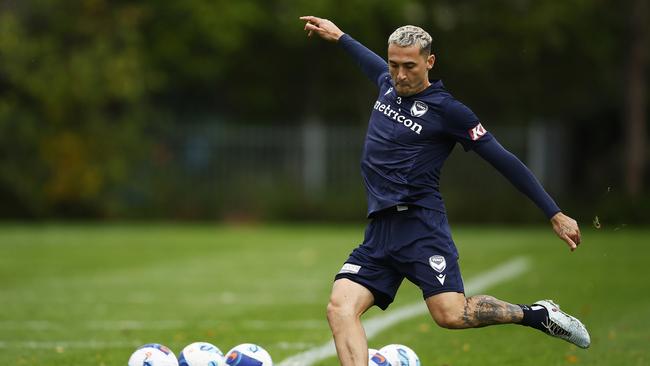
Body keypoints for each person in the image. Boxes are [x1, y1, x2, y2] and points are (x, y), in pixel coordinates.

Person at [299, 16, 590, 366]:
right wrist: (340, 36)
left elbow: (503, 159)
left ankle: (537, 314)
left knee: (450, 314)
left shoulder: (449, 111)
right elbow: (368, 61)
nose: (400, 74)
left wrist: (553, 212)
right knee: (340, 308)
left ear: (429, 62)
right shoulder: (386, 83)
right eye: (394, 65)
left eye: (409, 66)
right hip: (379, 231)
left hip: (421, 227)